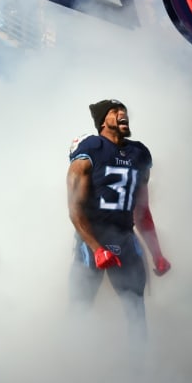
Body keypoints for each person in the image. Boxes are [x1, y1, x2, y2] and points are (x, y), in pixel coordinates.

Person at [67, 99, 171, 340]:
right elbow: (75, 209)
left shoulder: (139, 153)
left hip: (125, 238)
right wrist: (96, 248)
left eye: (123, 109)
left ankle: (139, 370)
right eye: (114, 111)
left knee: (136, 311)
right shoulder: (90, 148)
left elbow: (142, 210)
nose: (122, 113)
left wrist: (157, 254)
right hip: (92, 238)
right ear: (103, 121)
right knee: (79, 309)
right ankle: (71, 366)